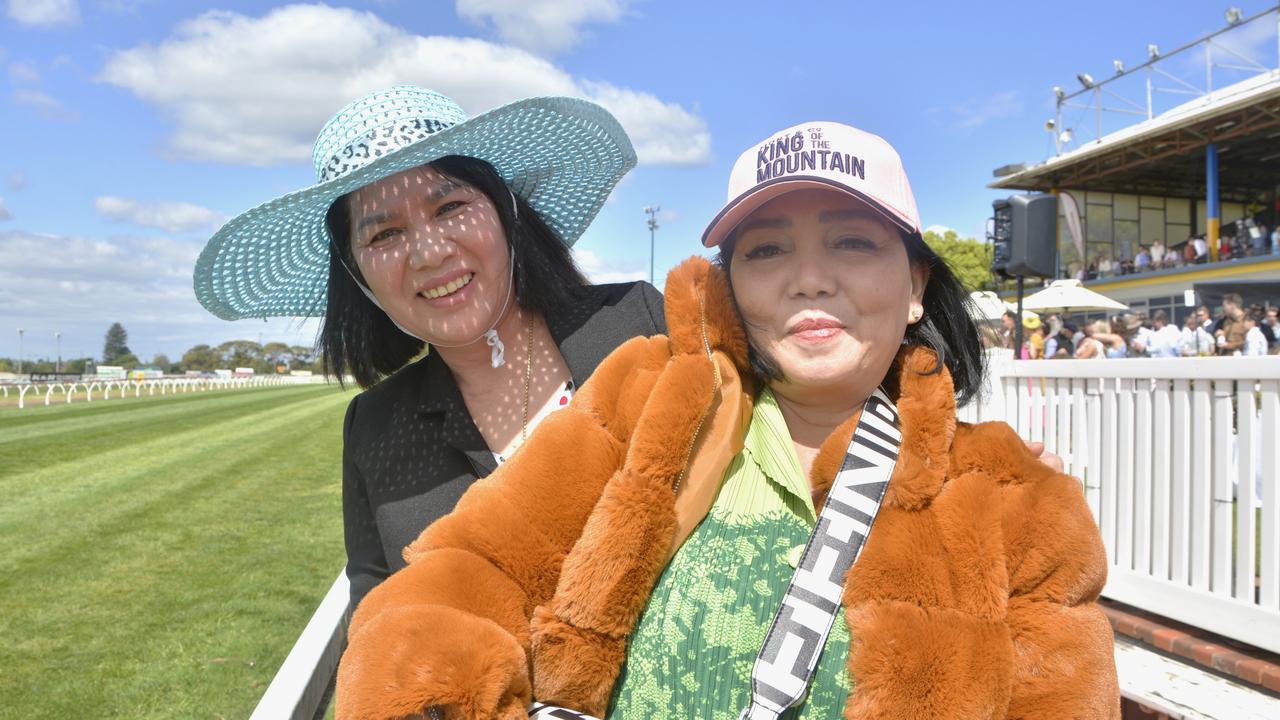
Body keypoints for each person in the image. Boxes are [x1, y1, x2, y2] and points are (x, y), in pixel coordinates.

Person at [336, 121, 1118, 719]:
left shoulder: (1024, 505)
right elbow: (472, 573)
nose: (810, 279)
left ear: (916, 282)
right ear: (730, 286)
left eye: (852, 242)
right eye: (767, 251)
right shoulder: (650, 401)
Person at [192, 86, 667, 611]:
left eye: (450, 206)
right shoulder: (372, 428)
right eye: (384, 235)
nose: (429, 252)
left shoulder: (638, 321)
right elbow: (379, 629)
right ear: (356, 274)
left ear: (505, 210)